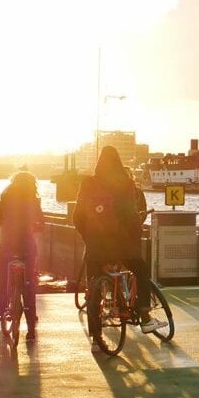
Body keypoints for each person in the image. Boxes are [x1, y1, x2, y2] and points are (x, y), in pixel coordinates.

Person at [73, 146, 166, 352]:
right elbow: (131, 217)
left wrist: (88, 237)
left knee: (93, 293)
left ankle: (97, 341)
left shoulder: (88, 183)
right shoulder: (124, 183)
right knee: (141, 271)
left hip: (96, 247)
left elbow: (77, 217)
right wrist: (133, 236)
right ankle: (144, 315)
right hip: (121, 246)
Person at [0, 170, 44, 344]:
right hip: (26, 246)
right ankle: (31, 332)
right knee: (29, 287)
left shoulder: (4, 196)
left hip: (5, 245)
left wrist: (1, 224)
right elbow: (41, 222)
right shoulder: (34, 199)